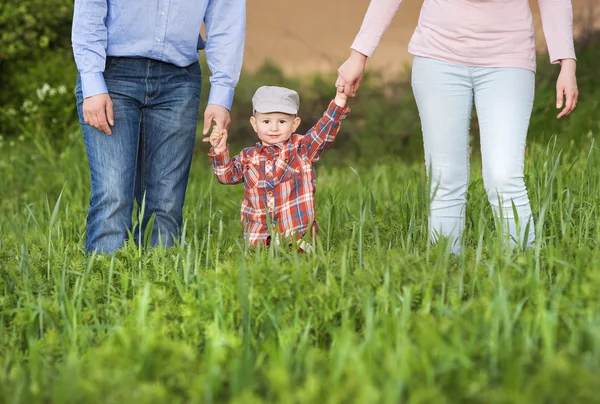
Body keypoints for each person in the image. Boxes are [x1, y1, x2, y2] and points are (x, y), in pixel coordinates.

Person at [336, 0, 579, 254]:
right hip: (438, 56)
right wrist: (359, 54)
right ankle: (446, 278)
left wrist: (567, 63)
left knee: (504, 177)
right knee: (444, 179)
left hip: (508, 59)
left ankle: (523, 272)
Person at [71, 0, 245, 254]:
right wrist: (92, 81)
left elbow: (227, 20)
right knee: (113, 196)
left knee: (166, 201)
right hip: (112, 75)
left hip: (179, 80)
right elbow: (91, 7)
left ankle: (157, 283)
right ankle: (105, 286)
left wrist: (221, 94)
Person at [204, 86, 350, 252]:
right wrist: (219, 150)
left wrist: (340, 100)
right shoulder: (248, 157)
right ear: (254, 124)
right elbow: (226, 177)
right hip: (258, 239)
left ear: (294, 124)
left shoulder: (301, 149)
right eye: (266, 121)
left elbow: (323, 131)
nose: (274, 128)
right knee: (261, 270)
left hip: (297, 236)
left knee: (297, 265)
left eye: (282, 121)